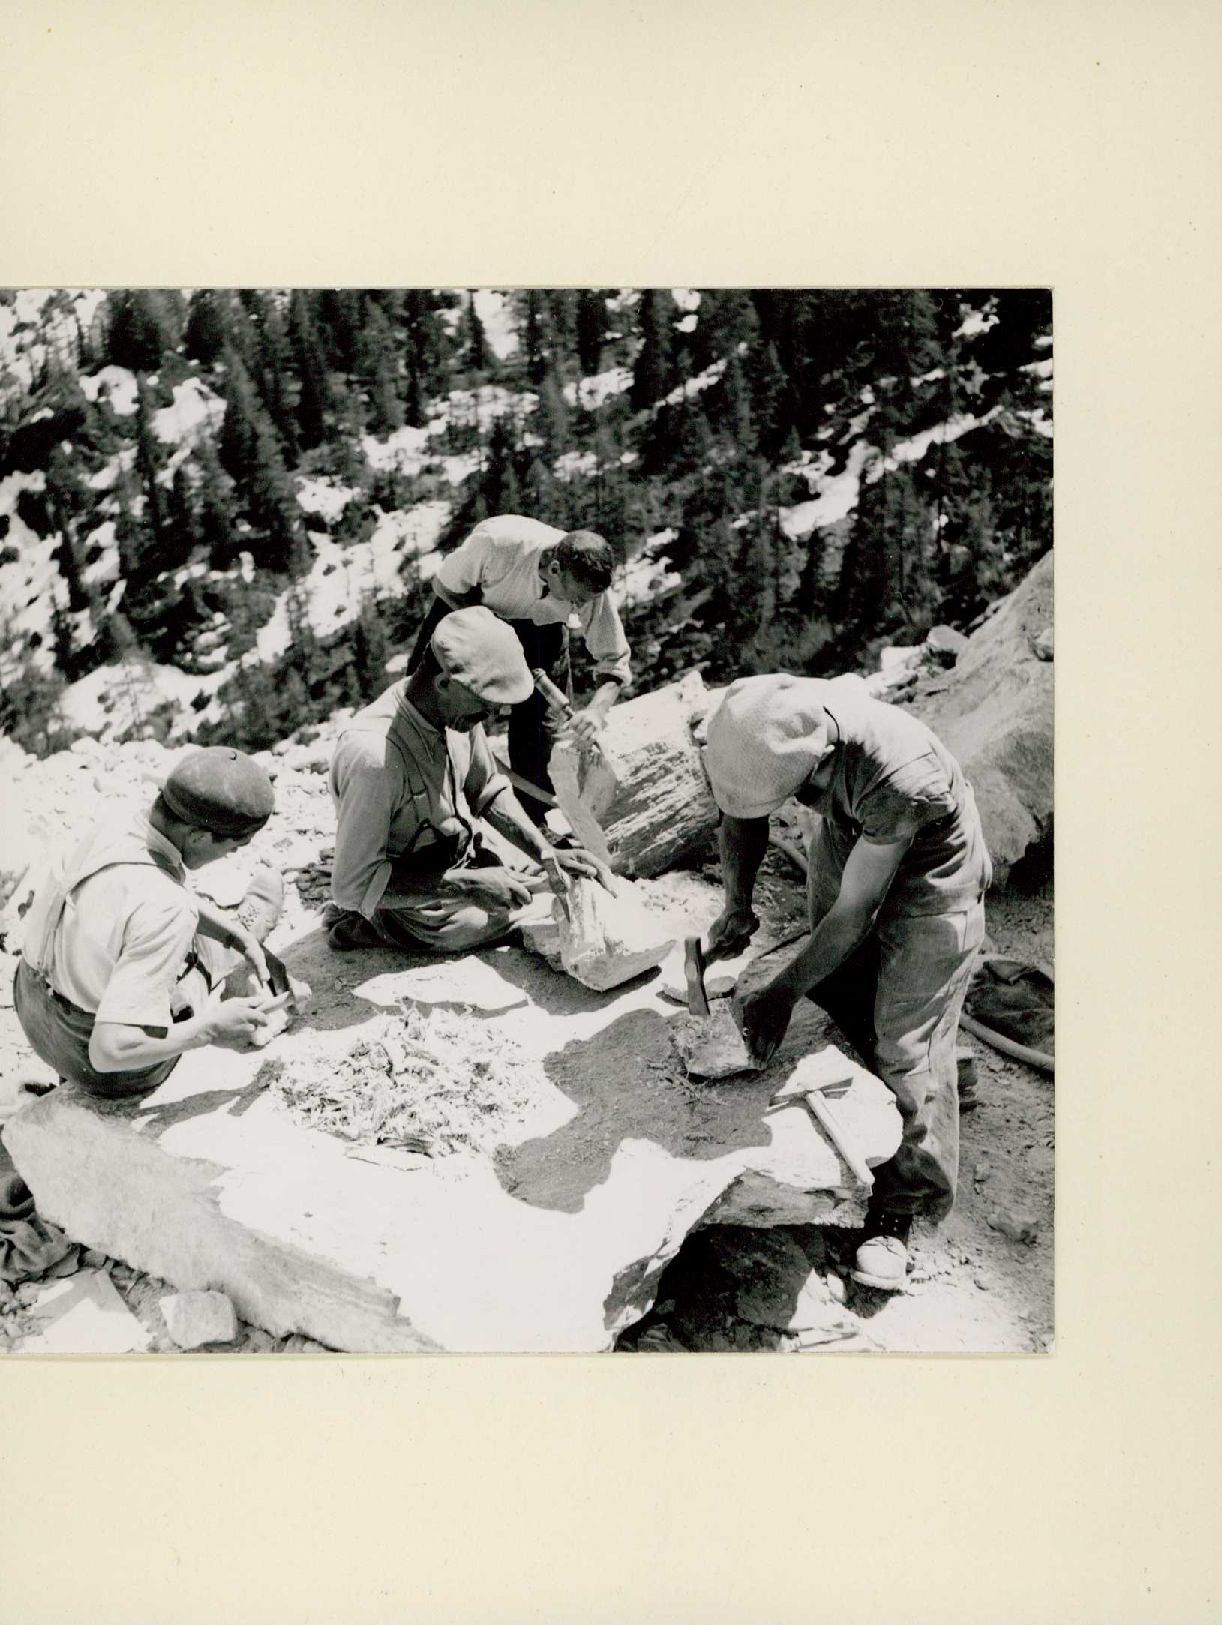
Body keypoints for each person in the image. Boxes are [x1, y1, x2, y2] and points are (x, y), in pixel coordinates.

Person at [701, 673, 992, 1293]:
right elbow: (741, 815)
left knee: (906, 1041)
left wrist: (781, 993)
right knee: (838, 988)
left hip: (934, 870)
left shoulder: (901, 774)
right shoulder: (760, 718)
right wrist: (736, 904)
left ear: (822, 759)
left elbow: (854, 913)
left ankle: (900, 1206)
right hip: (855, 830)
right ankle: (921, 1089)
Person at [13, 747, 289, 1103]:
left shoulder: (118, 823)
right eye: (234, 847)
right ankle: (222, 961)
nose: (231, 855)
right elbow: (108, 1051)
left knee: (168, 931)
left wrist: (232, 934)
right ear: (198, 837)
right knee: (191, 966)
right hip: (105, 1069)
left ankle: (236, 937)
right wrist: (209, 1029)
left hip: (33, 1007)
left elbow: (137, 899)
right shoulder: (167, 907)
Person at [327, 605, 602, 953]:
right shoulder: (374, 756)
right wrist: (469, 886)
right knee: (479, 921)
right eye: (486, 705)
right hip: (409, 888)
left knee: (558, 876)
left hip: (462, 853)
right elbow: (350, 887)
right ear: (444, 683)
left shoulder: (454, 711)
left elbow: (486, 789)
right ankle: (368, 926)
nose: (493, 715)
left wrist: (545, 852)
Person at [409, 514, 631, 823]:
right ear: (555, 569)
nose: (581, 606)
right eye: (576, 600)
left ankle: (540, 827)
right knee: (422, 711)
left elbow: (614, 660)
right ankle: (425, 815)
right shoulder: (496, 544)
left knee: (543, 743)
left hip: (541, 634)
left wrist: (596, 710)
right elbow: (446, 587)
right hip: (466, 612)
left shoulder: (588, 584)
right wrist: (491, 638)